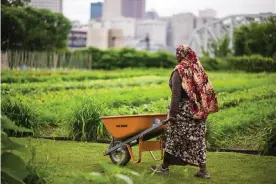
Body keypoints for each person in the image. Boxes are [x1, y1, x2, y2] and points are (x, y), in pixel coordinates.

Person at [151, 45, 218, 178]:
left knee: (173, 138)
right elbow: (205, 89)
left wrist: (172, 114)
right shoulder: (197, 68)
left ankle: (164, 168)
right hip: (199, 111)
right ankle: (203, 171)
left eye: (177, 53)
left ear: (182, 54)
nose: (176, 55)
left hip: (183, 110)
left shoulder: (179, 71)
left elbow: (176, 94)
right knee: (198, 140)